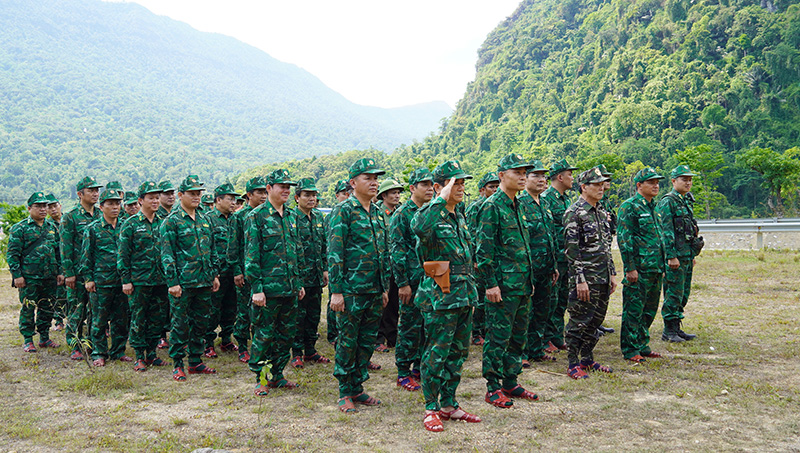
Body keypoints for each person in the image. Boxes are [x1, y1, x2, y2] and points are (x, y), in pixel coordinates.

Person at [409, 161, 481, 431]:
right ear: (438, 187)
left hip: (463, 294)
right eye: (454, 183)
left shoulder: (458, 216)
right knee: (436, 353)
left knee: (458, 352)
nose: (460, 188)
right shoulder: (430, 215)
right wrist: (440, 198)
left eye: (462, 183)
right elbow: (418, 226)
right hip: (440, 296)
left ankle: (449, 404)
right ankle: (431, 407)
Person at [328, 157, 390, 413]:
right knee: (347, 341)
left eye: (376, 178)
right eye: (368, 178)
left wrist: (384, 287)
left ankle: (358, 387)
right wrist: (336, 291)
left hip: (374, 290)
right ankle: (344, 392)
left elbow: (382, 252)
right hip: (351, 291)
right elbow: (335, 252)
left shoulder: (377, 212)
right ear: (353, 183)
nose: (374, 182)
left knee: (366, 342)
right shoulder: (344, 210)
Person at [476, 153, 538, 408]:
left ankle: (510, 381)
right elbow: (483, 251)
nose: (523, 176)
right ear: (502, 176)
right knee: (498, 337)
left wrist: (530, 278)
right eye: (517, 172)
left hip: (521, 284)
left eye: (525, 172)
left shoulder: (519, 205)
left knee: (517, 336)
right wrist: (490, 283)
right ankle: (493, 386)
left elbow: (523, 246)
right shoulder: (491, 206)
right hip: (501, 287)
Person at [245, 169, 304, 395]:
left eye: (289, 186)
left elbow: (295, 252)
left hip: (289, 288)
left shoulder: (291, 216)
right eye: (282, 186)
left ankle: (277, 375)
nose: (286, 190)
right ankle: (261, 378)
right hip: (267, 291)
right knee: (264, 334)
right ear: (269, 188)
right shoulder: (256, 217)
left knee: (286, 335)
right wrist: (257, 289)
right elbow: (251, 256)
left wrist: (298, 284)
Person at [160, 175, 220, 381]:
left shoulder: (205, 220)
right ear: (180, 195)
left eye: (198, 193)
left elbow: (212, 250)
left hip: (203, 281)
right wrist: (173, 282)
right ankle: (178, 363)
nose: (196, 197)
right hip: (183, 283)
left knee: (201, 322)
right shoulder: (172, 222)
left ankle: (195, 360)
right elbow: (167, 255)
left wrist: (214, 275)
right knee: (179, 323)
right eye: (192, 193)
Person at [563, 168, 617, 379]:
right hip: (585, 279)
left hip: (602, 277)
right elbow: (571, 251)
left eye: (602, 184)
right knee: (579, 320)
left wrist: (612, 273)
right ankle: (572, 363)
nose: (601, 188)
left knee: (596, 320)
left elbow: (606, 247)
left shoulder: (601, 212)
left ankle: (587, 358)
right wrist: (580, 280)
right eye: (596, 184)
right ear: (584, 187)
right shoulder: (574, 213)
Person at [389, 167, 434, 392]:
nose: (429, 188)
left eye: (431, 184)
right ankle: (403, 372)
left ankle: (419, 367)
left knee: (427, 326)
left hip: (431, 280)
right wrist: (403, 283)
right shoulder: (402, 214)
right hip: (412, 281)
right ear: (412, 188)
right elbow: (396, 251)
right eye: (424, 184)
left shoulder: (432, 211)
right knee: (409, 326)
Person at [118, 181, 169, 372]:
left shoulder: (163, 222)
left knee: (157, 318)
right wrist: (126, 280)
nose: (155, 201)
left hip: (160, 280)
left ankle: (152, 354)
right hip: (139, 280)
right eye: (151, 198)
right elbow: (123, 255)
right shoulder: (130, 224)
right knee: (139, 318)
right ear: (141, 201)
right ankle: (139, 356)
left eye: (157, 197)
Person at [618, 168, 666, 363]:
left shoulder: (653, 207)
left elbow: (659, 238)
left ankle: (642, 344)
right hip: (639, 269)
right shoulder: (629, 207)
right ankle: (630, 349)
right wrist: (630, 268)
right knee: (633, 310)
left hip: (655, 268)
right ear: (639, 185)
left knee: (649, 309)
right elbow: (624, 239)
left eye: (657, 182)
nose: (655, 186)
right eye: (650, 182)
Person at [80, 188, 131, 366]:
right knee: (99, 320)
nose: (115, 207)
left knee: (121, 319)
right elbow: (86, 256)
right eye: (110, 203)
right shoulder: (92, 229)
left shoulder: (126, 226)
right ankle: (98, 352)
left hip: (122, 282)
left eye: (117, 203)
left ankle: (118, 351)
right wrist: (88, 279)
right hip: (101, 282)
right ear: (101, 207)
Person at [7, 192, 63, 352]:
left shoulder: (52, 228)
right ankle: (28, 339)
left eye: (45, 206)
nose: (43, 209)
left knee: (47, 308)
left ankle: (44, 337)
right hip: (29, 278)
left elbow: (58, 252)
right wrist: (17, 276)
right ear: (30, 208)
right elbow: (12, 254)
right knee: (28, 308)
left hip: (49, 277)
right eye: (38, 206)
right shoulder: (20, 228)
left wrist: (60, 271)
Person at [518, 160, 559, 366]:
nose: (542, 180)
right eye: (536, 176)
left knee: (543, 310)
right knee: (527, 312)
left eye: (544, 176)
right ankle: (522, 352)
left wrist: (554, 266)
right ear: (525, 179)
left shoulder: (545, 203)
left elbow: (550, 236)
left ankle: (536, 348)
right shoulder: (520, 204)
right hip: (529, 269)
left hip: (546, 268)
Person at [657, 165, 702, 343]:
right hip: (675, 256)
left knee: (683, 293)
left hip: (686, 255)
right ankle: (669, 330)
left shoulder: (685, 200)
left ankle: (677, 327)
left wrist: (691, 255)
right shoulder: (668, 202)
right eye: (684, 179)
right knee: (673, 293)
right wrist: (671, 256)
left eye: (690, 180)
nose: (688, 183)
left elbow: (688, 230)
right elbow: (666, 231)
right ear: (674, 181)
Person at [290, 177, 331, 369]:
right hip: (300, 277)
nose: (311, 198)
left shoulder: (318, 218)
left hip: (315, 276)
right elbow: (290, 250)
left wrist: (324, 268)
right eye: (307, 195)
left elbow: (323, 246)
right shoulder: (291, 218)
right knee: (299, 315)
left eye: (314, 195)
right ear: (297, 197)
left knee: (314, 315)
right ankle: (296, 352)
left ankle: (310, 350)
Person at [61, 176, 103, 360]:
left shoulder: (101, 215)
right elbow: (65, 247)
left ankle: (91, 344)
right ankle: (75, 345)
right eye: (91, 190)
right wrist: (69, 273)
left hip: (96, 272)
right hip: (77, 274)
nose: (95, 194)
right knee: (77, 310)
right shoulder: (70, 217)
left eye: (96, 190)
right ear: (80, 194)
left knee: (95, 311)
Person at [228, 176, 268, 362]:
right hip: (245, 271)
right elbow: (233, 246)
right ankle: (243, 345)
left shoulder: (267, 214)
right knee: (244, 309)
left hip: (264, 272)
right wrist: (237, 270)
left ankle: (261, 345)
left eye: (265, 192)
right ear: (249, 195)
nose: (263, 196)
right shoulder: (239, 216)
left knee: (262, 311)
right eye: (259, 192)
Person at [540, 159, 578, 354]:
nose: (573, 178)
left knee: (562, 298)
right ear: (560, 177)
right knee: (550, 299)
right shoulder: (546, 198)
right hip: (554, 257)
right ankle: (545, 337)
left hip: (566, 257)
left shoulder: (565, 200)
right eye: (570, 174)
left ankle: (556, 335)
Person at [203, 182, 241, 358]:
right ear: (218, 200)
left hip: (233, 273)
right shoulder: (208, 219)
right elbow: (207, 248)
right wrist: (212, 273)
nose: (233, 202)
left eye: (235, 199)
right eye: (229, 199)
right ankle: (208, 343)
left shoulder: (236, 219)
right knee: (212, 309)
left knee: (231, 308)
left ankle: (226, 339)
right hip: (217, 274)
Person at [464, 172, 499, 346]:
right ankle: (476, 331)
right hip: (479, 260)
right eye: (491, 187)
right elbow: (471, 235)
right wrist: (475, 260)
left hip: (493, 259)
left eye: (496, 186)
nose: (495, 189)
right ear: (481, 190)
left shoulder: (496, 206)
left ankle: (486, 329)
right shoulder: (475, 207)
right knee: (479, 296)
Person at [375, 178, 404, 352]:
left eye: (398, 192)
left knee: (394, 302)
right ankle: (378, 338)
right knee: (382, 303)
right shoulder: (378, 213)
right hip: (383, 265)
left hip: (396, 265)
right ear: (384, 195)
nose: (396, 195)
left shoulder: (399, 213)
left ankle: (392, 335)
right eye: (393, 192)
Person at [326, 178, 353, 346]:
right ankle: (332, 333)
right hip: (337, 269)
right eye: (344, 193)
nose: (347, 196)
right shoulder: (335, 214)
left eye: (349, 193)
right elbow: (333, 247)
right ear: (337, 196)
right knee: (334, 302)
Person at [596, 164, 617, 336]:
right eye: (603, 178)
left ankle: (598, 322)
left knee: (602, 291)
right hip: (592, 255)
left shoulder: (605, 201)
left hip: (604, 248)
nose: (606, 182)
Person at [45, 193, 65, 331]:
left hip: (71, 261)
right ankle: (59, 319)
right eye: (49, 207)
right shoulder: (47, 226)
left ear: (60, 205)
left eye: (55, 206)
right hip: (56, 264)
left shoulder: (69, 220)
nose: (53, 209)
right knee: (57, 294)